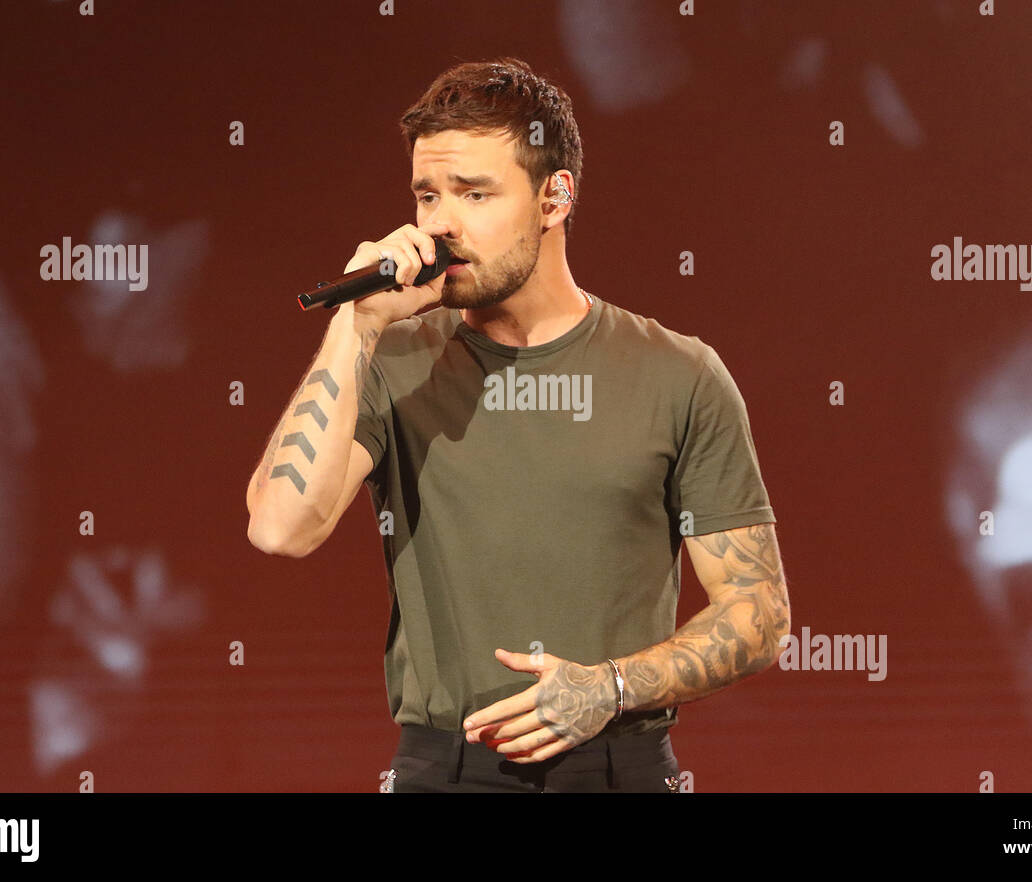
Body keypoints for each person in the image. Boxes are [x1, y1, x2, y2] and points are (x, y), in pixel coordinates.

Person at [246, 57, 790, 793]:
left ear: (554, 197)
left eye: (474, 194)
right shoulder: (392, 363)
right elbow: (282, 527)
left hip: (615, 766)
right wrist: (357, 324)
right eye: (427, 195)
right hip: (445, 769)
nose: (439, 224)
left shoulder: (680, 374)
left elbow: (758, 611)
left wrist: (611, 687)